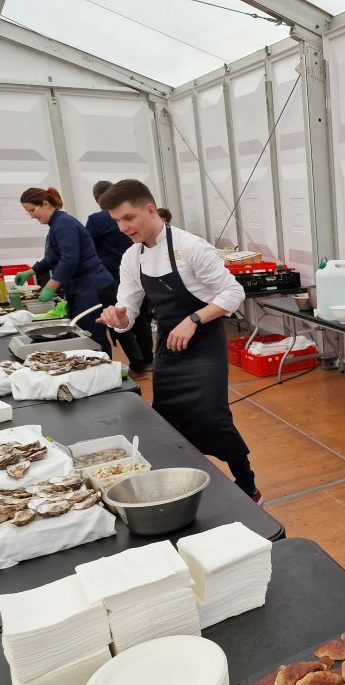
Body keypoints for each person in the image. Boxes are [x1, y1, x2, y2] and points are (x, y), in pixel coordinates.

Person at [95, 180, 261, 503]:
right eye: (117, 221)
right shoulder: (131, 258)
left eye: (128, 218)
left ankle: (247, 484)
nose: (123, 227)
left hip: (204, 344)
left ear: (150, 209)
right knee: (167, 420)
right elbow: (128, 309)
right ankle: (183, 484)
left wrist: (194, 319)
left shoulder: (191, 248)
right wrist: (119, 318)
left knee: (213, 418)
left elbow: (234, 293)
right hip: (169, 348)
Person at [16, 187, 115, 354]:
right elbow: (52, 257)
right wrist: (31, 271)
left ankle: (105, 369)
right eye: (29, 212)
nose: (32, 215)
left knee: (92, 334)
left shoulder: (64, 224)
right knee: (85, 330)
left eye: (32, 210)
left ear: (45, 204)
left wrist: (51, 286)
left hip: (91, 284)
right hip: (81, 285)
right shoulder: (56, 223)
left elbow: (70, 259)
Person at [86, 180, 152, 376]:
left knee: (121, 316)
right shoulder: (131, 220)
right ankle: (148, 358)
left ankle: (137, 362)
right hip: (140, 269)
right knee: (141, 318)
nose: (123, 226)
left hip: (112, 276)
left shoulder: (96, 219)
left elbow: (89, 249)